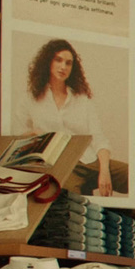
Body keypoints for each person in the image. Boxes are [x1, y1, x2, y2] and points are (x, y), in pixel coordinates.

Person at [12, 39, 126, 197]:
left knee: (132, 176)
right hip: (60, 164)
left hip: (89, 160)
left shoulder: (82, 99)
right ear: (47, 62)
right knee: (72, 202)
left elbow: (98, 137)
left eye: (68, 63)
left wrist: (104, 171)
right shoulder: (30, 98)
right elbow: (17, 135)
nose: (63, 67)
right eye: (58, 60)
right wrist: (34, 135)